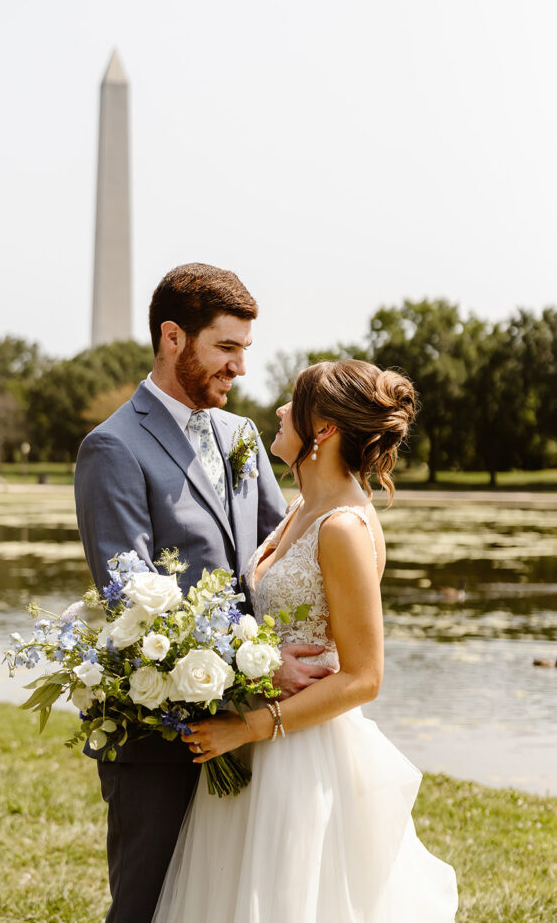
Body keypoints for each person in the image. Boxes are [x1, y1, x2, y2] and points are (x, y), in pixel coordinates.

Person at [152, 359, 459, 923]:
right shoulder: (299, 509)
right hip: (256, 747)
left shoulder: (343, 527)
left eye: (293, 402)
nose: (278, 409)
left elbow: (364, 677)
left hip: (302, 755)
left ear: (324, 430)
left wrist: (247, 725)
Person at [74, 263, 332, 923]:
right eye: (225, 347)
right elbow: (132, 596)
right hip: (158, 735)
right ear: (171, 338)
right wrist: (255, 665)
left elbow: (279, 553)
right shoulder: (111, 448)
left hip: (251, 726)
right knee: (147, 905)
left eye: (244, 349)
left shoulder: (241, 436)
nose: (240, 368)